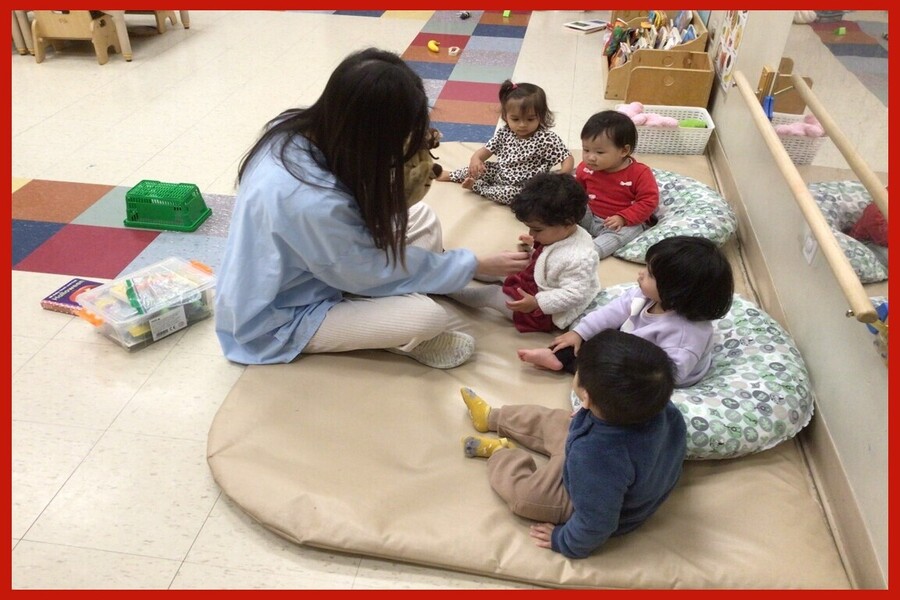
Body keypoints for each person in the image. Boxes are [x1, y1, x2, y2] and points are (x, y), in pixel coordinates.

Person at [214, 48, 531, 369]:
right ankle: (410, 331)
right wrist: (474, 264)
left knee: (421, 218)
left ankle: (456, 284)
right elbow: (365, 271)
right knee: (427, 318)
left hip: (321, 265)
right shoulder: (310, 200)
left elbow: (355, 229)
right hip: (279, 316)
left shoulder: (295, 127)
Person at [460, 329, 686, 559]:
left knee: (525, 497)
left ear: (586, 397)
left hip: (595, 497)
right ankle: (491, 417)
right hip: (600, 457)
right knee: (552, 420)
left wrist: (565, 540)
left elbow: (598, 522)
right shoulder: (659, 407)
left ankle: (502, 454)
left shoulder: (594, 458)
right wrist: (585, 416)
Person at [518, 235, 734, 387]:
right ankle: (557, 356)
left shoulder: (685, 336)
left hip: (652, 373)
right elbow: (614, 311)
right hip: (631, 347)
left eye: (649, 274)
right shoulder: (646, 296)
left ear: (675, 292)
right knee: (592, 336)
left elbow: (670, 376)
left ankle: (572, 365)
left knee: (612, 381)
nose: (640, 274)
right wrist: (580, 332)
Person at [448, 172, 600, 333]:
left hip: (541, 311)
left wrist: (537, 303)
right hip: (535, 279)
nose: (532, 233)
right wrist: (532, 247)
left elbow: (574, 294)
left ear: (568, 223)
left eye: (537, 229)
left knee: (491, 294)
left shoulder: (579, 257)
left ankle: (447, 290)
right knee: (503, 264)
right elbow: (550, 257)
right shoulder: (560, 232)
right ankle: (453, 266)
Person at [436, 79, 573, 205]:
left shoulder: (546, 138)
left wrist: (563, 173)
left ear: (541, 116)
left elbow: (566, 157)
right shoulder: (504, 132)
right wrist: (475, 159)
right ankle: (451, 175)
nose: (522, 125)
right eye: (515, 119)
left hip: (525, 185)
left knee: (514, 196)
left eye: (530, 119)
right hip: (500, 172)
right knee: (481, 168)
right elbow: (484, 152)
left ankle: (478, 187)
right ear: (505, 116)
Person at [575, 110, 660, 258]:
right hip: (590, 215)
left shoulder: (639, 173)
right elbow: (577, 192)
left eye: (599, 152)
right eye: (586, 149)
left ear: (623, 151)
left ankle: (590, 252)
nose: (590, 157)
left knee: (628, 231)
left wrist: (623, 218)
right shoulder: (585, 168)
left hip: (620, 223)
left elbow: (648, 201)